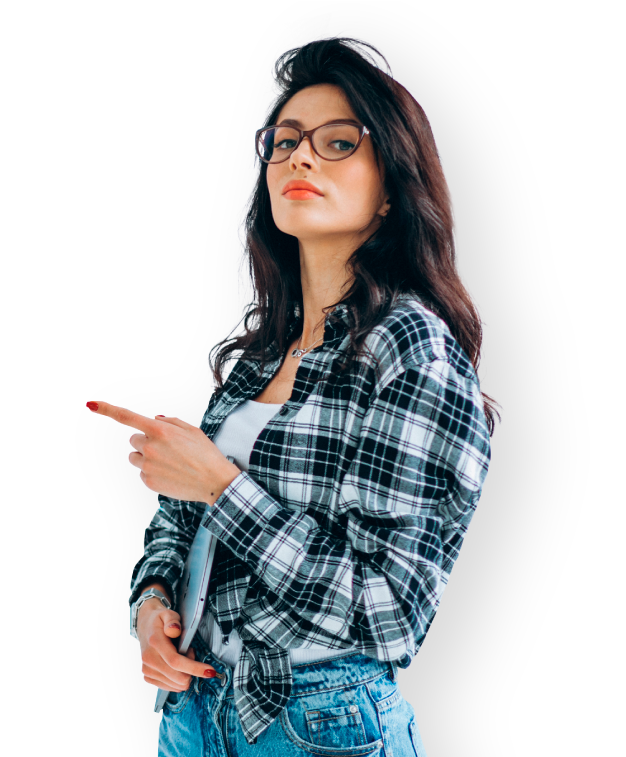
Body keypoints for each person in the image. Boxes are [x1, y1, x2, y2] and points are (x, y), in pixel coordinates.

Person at [129, 36, 496, 757]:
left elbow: (388, 615)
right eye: (286, 140)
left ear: (390, 189)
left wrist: (220, 485)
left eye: (337, 142)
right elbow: (181, 517)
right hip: (194, 716)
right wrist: (150, 608)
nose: (300, 157)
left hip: (324, 725)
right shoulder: (261, 353)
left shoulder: (412, 347)